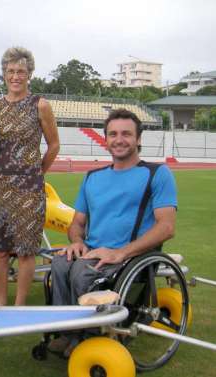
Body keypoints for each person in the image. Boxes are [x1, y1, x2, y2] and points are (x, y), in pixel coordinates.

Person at [48, 108, 177, 356]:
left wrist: (120, 252)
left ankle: (89, 338)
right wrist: (76, 242)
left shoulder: (157, 174)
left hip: (130, 255)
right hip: (94, 251)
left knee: (82, 272)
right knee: (60, 263)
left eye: (126, 134)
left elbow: (166, 227)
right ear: (105, 139)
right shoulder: (92, 177)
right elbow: (77, 223)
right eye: (113, 134)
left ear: (138, 139)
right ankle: (68, 333)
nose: (119, 139)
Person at [0, 47, 60, 306]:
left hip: (29, 186)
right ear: (4, 74)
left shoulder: (41, 105)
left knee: (27, 250)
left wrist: (36, 172)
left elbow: (54, 145)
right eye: (11, 71)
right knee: (1, 250)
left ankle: (19, 306)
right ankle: (2, 304)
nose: (15, 76)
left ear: (30, 75)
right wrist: (10, 170)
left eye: (21, 72)